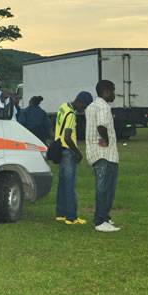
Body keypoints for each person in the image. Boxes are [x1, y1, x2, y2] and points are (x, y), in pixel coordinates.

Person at [85, 80, 121, 233]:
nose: (114, 94)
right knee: (105, 187)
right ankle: (100, 221)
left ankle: (104, 217)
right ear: (106, 92)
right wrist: (106, 140)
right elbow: (101, 125)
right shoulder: (103, 107)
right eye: (113, 91)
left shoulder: (91, 106)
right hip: (105, 154)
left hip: (95, 152)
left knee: (106, 187)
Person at [54, 91, 93, 225]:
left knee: (62, 184)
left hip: (60, 150)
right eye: (84, 106)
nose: (84, 109)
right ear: (79, 101)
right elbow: (67, 137)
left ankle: (60, 213)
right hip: (68, 151)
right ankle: (72, 216)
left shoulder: (63, 107)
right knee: (70, 185)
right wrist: (77, 152)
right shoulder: (71, 114)